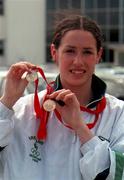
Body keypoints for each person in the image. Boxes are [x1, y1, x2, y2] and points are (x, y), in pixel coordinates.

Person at [0, 14, 124, 180]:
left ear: (99, 55)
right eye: (70, 51)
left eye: (87, 52)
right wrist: (6, 101)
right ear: (54, 52)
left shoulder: (118, 113)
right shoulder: (21, 109)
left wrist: (81, 128)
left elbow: (117, 175)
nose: (78, 61)